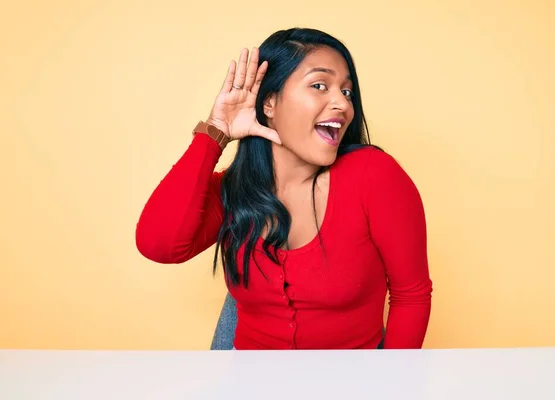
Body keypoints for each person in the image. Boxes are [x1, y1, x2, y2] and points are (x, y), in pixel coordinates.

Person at [135, 27, 433, 350]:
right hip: (246, 383)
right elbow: (158, 244)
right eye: (320, 86)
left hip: (354, 384)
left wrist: (391, 387)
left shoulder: (375, 176)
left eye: (346, 92)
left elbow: (411, 295)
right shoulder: (235, 190)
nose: (343, 105)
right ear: (270, 103)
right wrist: (215, 133)